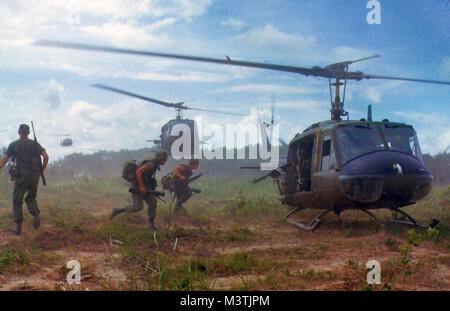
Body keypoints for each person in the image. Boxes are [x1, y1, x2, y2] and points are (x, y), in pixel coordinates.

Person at [0, 124, 49, 235]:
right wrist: (41, 170)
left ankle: (18, 228)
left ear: (19, 132)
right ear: (28, 133)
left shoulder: (13, 145)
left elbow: (4, 161)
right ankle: (36, 215)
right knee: (31, 198)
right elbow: (46, 156)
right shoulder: (35, 144)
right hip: (34, 176)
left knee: (17, 200)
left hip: (21, 176)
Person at [110, 150, 168, 231]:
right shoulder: (151, 164)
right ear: (160, 159)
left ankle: (151, 224)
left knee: (153, 202)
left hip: (144, 184)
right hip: (137, 184)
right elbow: (138, 172)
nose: (165, 161)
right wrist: (142, 187)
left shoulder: (154, 164)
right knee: (137, 207)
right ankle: (117, 210)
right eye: (164, 159)